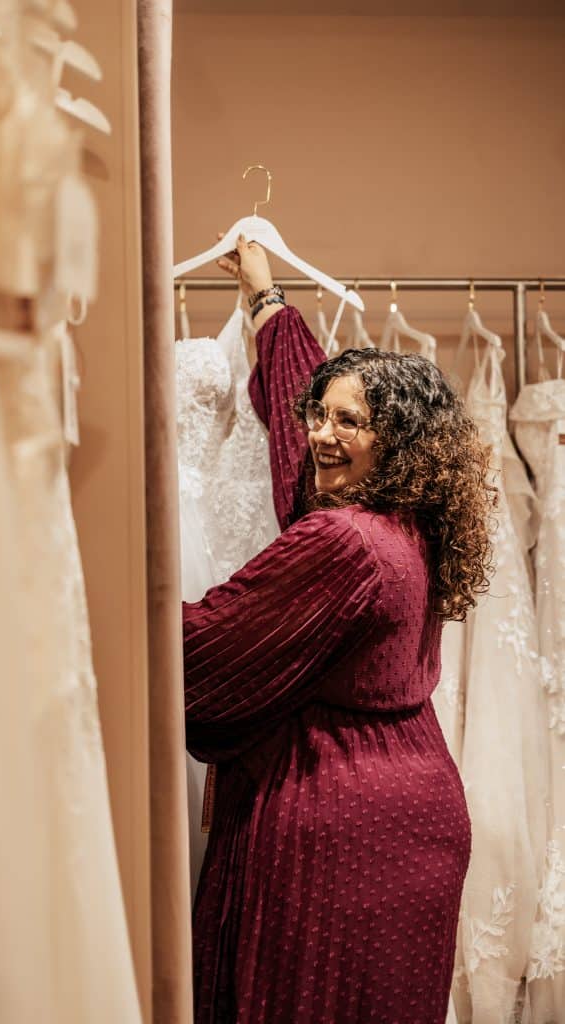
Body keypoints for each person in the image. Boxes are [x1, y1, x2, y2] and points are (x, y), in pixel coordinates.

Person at [182, 236, 496, 1024]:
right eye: (317, 412)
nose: (320, 433)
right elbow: (301, 470)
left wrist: (98, 601)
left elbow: (205, 650)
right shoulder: (407, 521)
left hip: (341, 827)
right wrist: (266, 302)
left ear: (398, 445)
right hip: (410, 813)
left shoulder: (345, 542)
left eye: (347, 421)